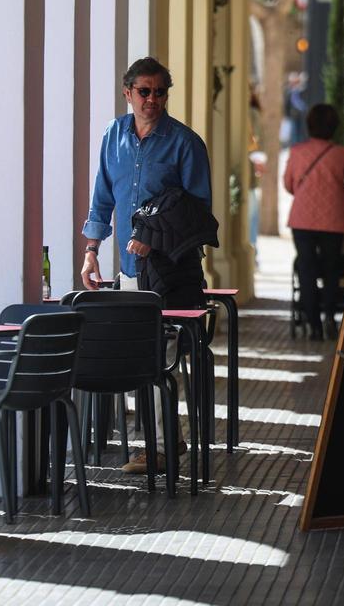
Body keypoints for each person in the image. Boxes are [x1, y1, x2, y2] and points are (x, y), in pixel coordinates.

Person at [80, 56, 212, 473]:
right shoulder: (112, 137)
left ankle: (158, 447)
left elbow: (198, 214)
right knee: (142, 356)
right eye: (144, 91)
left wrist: (153, 236)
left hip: (171, 271)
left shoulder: (185, 144)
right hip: (130, 271)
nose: (152, 99)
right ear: (128, 93)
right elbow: (102, 197)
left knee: (159, 355)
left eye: (159, 92)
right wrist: (91, 250)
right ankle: (167, 439)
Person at [283, 103, 344, 341]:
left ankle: (313, 324)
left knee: (306, 270)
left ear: (309, 126)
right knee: (330, 269)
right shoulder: (341, 154)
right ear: (334, 127)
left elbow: (288, 184)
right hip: (334, 219)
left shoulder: (297, 151)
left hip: (303, 220)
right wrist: (342, 191)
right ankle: (329, 318)